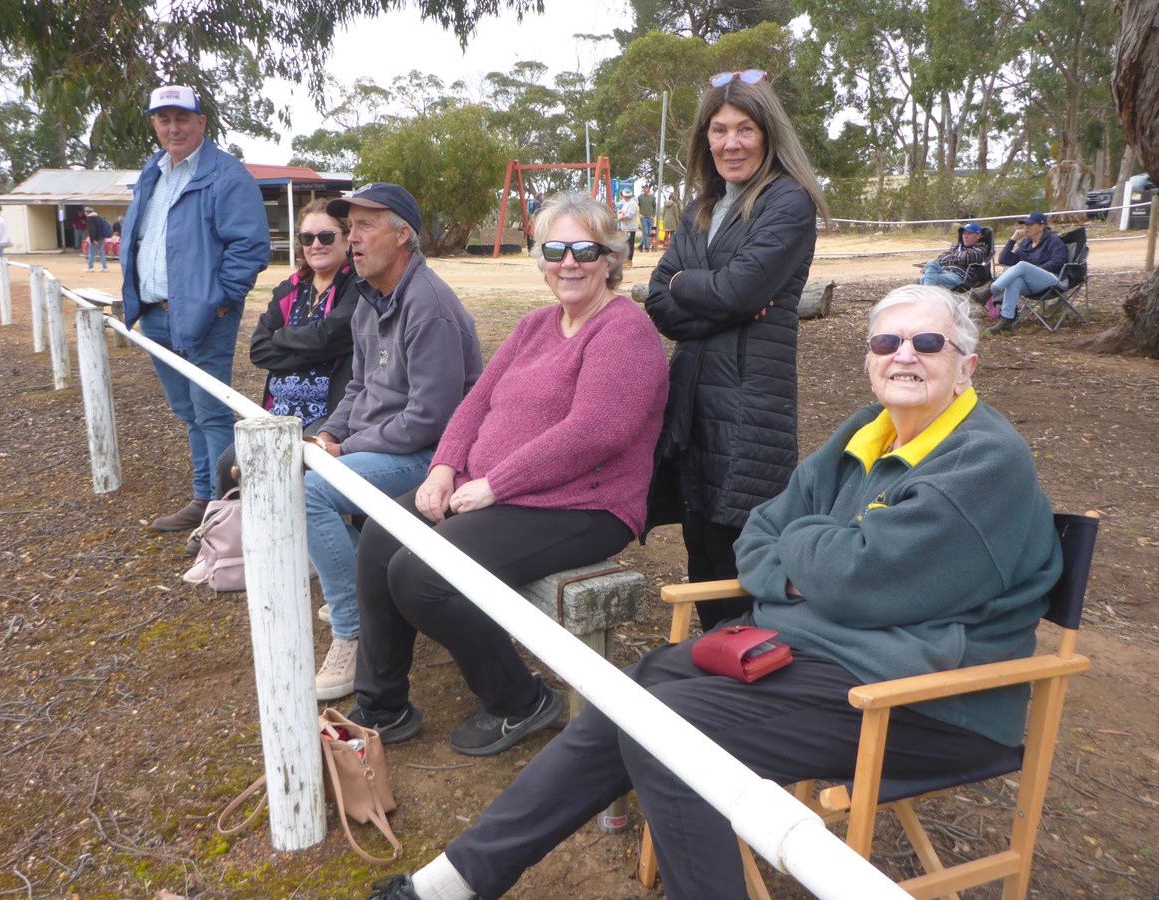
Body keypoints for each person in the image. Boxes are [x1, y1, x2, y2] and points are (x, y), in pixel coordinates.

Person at [366, 284, 1063, 900]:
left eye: (927, 343)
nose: (903, 355)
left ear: (966, 365)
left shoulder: (984, 460)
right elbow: (762, 532)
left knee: (677, 735)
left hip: (930, 702)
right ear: (869, 357)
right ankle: (453, 882)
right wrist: (813, 569)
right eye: (887, 341)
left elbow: (860, 580)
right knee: (628, 695)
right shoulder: (866, 430)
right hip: (821, 658)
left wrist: (810, 569)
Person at [344, 193, 669, 757]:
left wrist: (494, 484)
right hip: (499, 490)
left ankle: (519, 700)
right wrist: (444, 467)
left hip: (582, 506)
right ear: (541, 258)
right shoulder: (535, 325)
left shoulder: (623, 331)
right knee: (378, 538)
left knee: (422, 576)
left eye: (585, 250)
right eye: (555, 249)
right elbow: (475, 403)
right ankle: (381, 704)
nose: (569, 262)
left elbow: (596, 432)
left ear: (611, 258)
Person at [644, 68, 828, 631]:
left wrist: (698, 288)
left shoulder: (787, 202)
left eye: (744, 128)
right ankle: (711, 669)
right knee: (699, 546)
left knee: (740, 549)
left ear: (768, 134)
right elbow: (657, 297)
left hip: (750, 404)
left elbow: (739, 289)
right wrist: (714, 302)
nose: (731, 143)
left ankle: (751, 680)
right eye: (719, 130)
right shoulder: (702, 208)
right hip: (694, 403)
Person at [305, 183, 483, 701]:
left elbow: (431, 420)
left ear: (402, 234)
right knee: (297, 468)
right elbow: (357, 386)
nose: (350, 239)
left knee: (311, 492)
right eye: (349, 227)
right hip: (381, 447)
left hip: (433, 461)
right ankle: (366, 596)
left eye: (364, 226)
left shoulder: (429, 306)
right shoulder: (370, 298)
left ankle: (353, 629)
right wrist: (330, 434)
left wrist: (350, 445)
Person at [120, 84, 269, 531]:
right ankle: (204, 496)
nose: (173, 127)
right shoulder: (154, 172)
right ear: (154, 124)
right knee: (187, 410)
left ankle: (222, 514)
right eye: (163, 119)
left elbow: (250, 245)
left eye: (182, 118)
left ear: (201, 122)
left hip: (205, 315)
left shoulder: (226, 174)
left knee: (211, 411)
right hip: (156, 313)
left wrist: (221, 301)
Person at [206, 199, 360, 507]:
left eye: (326, 237)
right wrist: (318, 348)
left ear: (346, 239)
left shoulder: (357, 286)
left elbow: (336, 334)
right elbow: (260, 350)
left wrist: (283, 337)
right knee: (229, 464)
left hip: (330, 413)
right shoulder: (289, 289)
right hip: (280, 410)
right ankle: (229, 539)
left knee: (297, 461)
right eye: (307, 238)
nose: (316, 244)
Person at [977, 211, 1067, 336]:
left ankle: (989, 292)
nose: (1026, 227)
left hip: (1053, 280)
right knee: (1015, 280)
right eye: (1025, 225)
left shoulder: (1054, 241)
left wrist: (1033, 270)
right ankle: (1006, 321)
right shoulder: (1026, 244)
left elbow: (1058, 262)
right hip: (1033, 285)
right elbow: (1004, 259)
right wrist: (1012, 239)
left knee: (1023, 266)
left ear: (1041, 226)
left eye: (1030, 225)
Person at [917, 222, 988, 290]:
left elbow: (964, 257)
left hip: (958, 277)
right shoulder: (957, 248)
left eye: (969, 234)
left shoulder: (980, 249)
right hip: (945, 271)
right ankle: (927, 292)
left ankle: (926, 296)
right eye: (963, 234)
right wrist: (955, 256)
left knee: (923, 279)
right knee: (932, 264)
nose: (965, 236)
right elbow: (940, 259)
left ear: (978, 236)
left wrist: (950, 256)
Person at [616, 186, 639, 266]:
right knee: (626, 243)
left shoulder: (632, 204)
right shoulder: (627, 203)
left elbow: (630, 215)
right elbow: (623, 210)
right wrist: (620, 212)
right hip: (626, 227)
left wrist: (622, 218)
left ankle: (629, 259)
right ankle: (626, 258)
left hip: (630, 227)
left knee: (630, 243)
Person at [84, 207, 110, 272]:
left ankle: (90, 268)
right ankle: (104, 268)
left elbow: (92, 230)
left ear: (87, 212)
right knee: (101, 253)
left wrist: (93, 239)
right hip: (102, 237)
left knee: (91, 253)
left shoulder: (90, 219)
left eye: (85, 212)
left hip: (95, 239)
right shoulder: (99, 217)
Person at [637, 183, 656, 252]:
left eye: (645, 188)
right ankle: (646, 247)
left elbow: (654, 207)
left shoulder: (652, 197)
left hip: (650, 218)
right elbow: (636, 206)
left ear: (648, 189)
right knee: (645, 232)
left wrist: (653, 215)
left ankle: (640, 245)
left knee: (648, 233)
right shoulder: (640, 197)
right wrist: (639, 214)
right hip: (643, 217)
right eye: (643, 188)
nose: (644, 189)